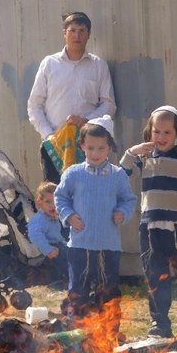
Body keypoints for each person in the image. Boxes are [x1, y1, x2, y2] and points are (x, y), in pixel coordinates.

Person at [120, 106, 177, 338]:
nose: (161, 137)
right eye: (156, 131)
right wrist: (131, 153)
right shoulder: (144, 158)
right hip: (150, 228)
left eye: (167, 132)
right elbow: (122, 174)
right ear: (149, 132)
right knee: (155, 277)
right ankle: (160, 324)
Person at [54, 115, 137, 332]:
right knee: (78, 291)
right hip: (80, 245)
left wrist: (122, 213)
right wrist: (68, 215)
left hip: (108, 246)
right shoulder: (73, 173)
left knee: (108, 291)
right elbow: (60, 197)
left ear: (109, 147)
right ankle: (76, 333)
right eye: (91, 148)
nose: (96, 153)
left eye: (101, 148)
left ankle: (108, 335)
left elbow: (128, 200)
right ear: (82, 146)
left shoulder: (118, 176)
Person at [28, 12, 116, 183]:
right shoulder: (49, 64)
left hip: (89, 146)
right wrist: (49, 136)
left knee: (88, 197)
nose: (77, 35)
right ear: (64, 33)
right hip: (54, 147)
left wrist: (85, 121)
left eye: (82, 31)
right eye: (72, 30)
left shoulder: (98, 66)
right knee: (56, 200)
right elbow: (34, 105)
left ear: (89, 35)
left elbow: (109, 105)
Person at [27, 182, 69, 282]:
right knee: (66, 258)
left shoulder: (53, 217)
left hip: (58, 244)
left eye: (55, 202)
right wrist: (47, 249)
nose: (52, 206)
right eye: (48, 202)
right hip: (48, 248)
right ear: (40, 203)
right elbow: (34, 235)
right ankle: (68, 279)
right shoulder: (39, 220)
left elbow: (56, 236)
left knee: (75, 251)